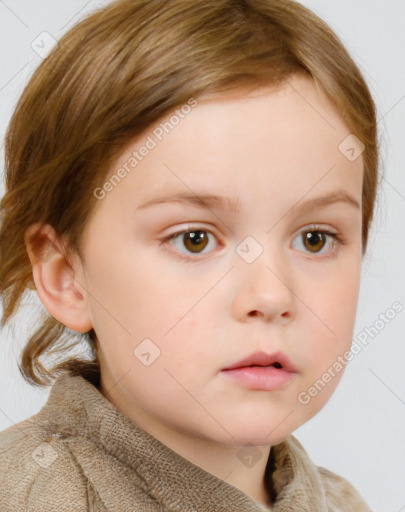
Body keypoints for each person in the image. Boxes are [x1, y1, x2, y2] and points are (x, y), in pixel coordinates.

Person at [0, 0, 380, 510]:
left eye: (315, 238)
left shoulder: (339, 502)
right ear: (67, 275)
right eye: (194, 239)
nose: (271, 295)